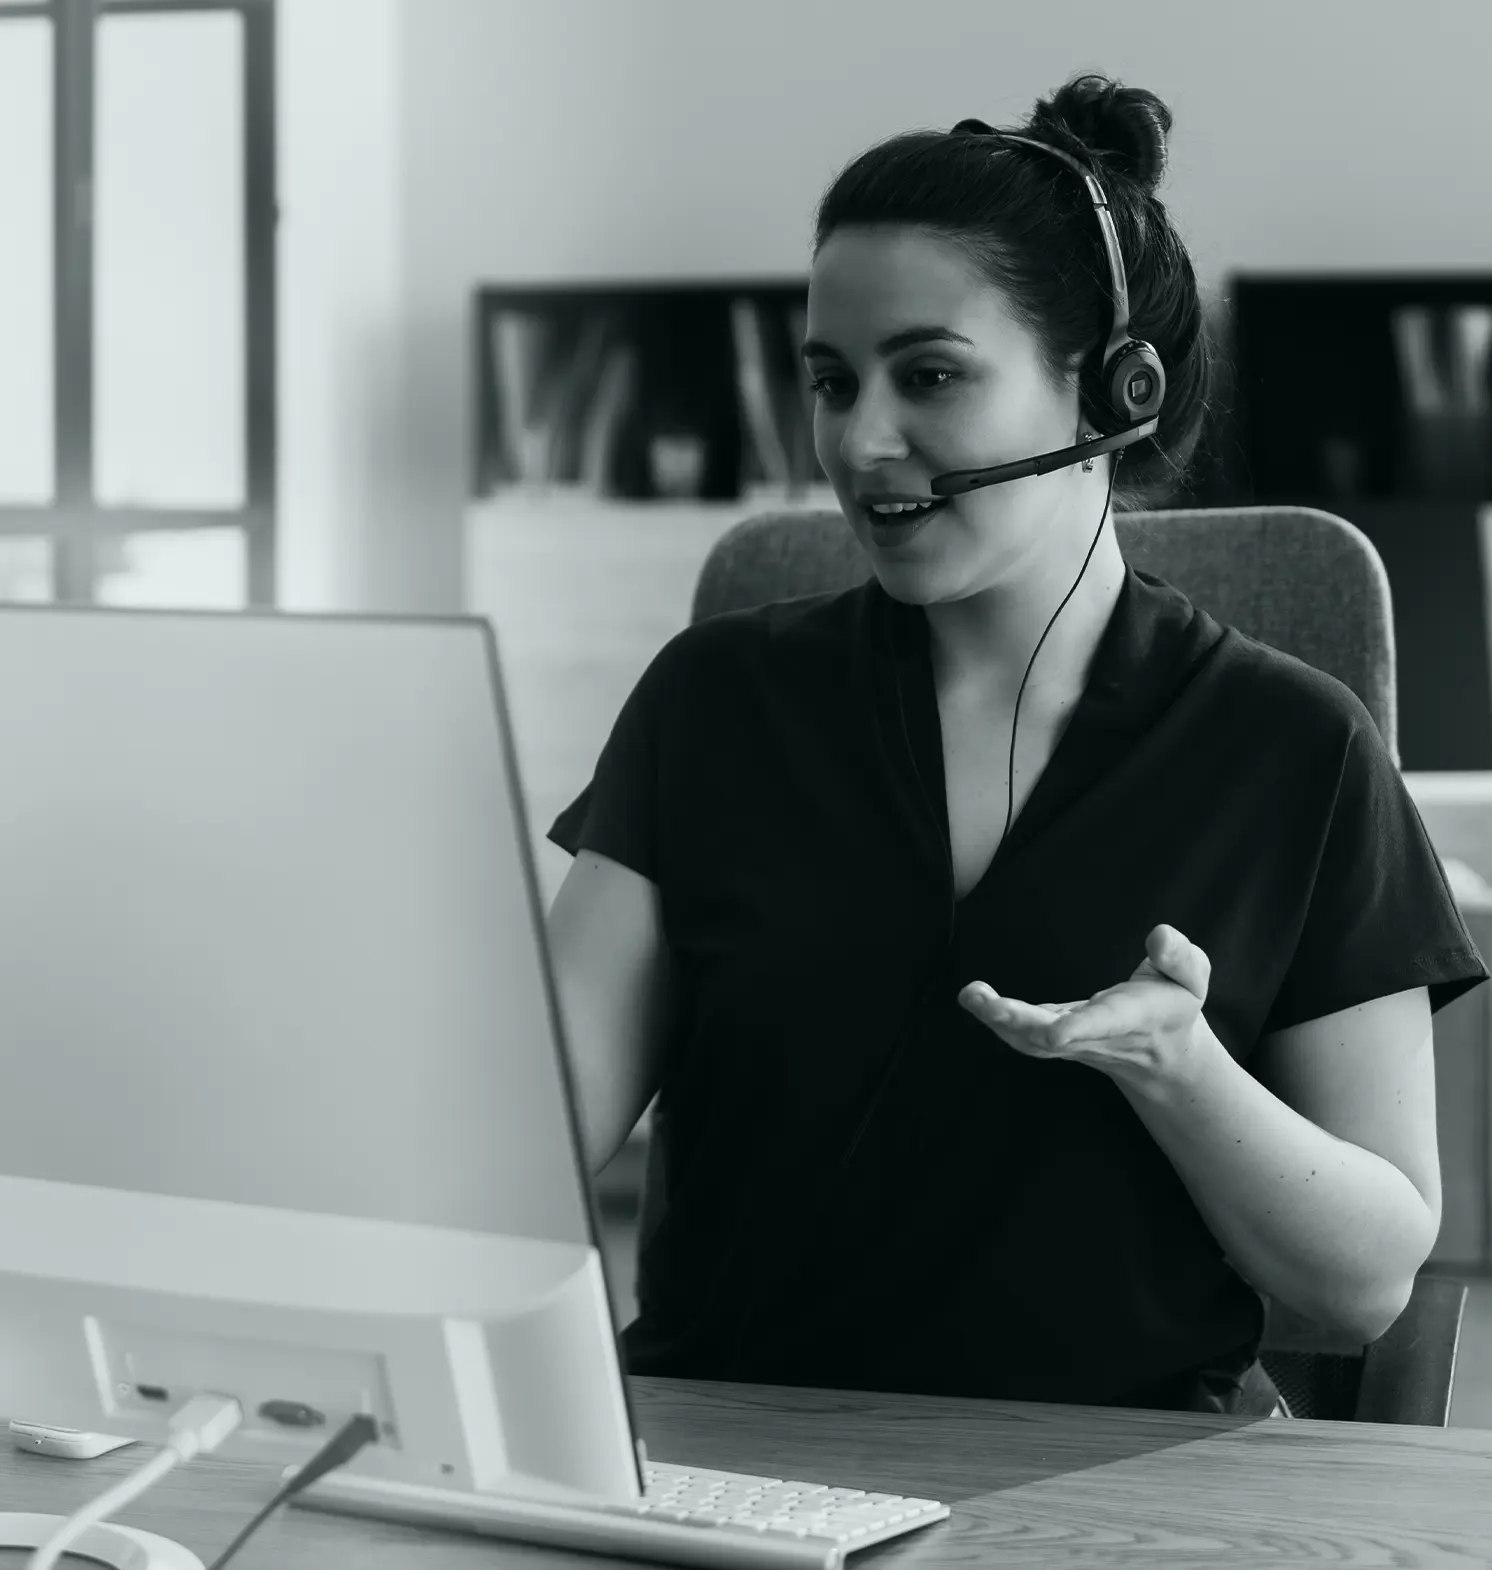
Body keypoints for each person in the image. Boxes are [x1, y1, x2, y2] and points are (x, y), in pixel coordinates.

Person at [545, 72, 1488, 1418]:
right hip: (724, 1463)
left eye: (929, 374)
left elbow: (1366, 1288)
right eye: (831, 382)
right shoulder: (714, 703)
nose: (861, 440)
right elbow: (524, 1151)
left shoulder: (1296, 750)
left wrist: (1181, 1069)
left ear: (1114, 388)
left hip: (1111, 1476)